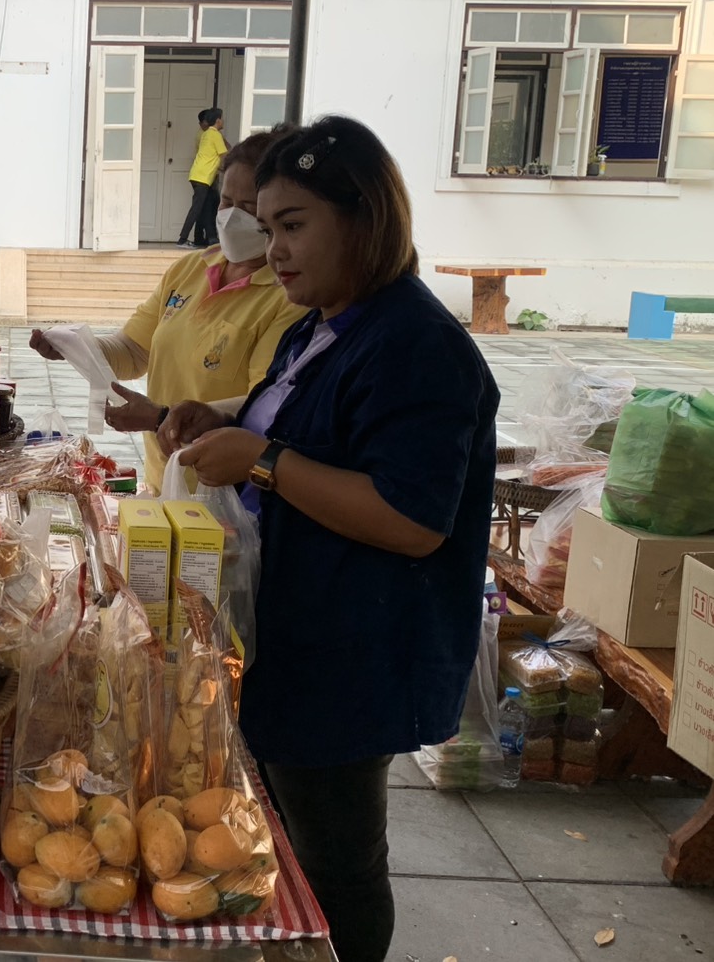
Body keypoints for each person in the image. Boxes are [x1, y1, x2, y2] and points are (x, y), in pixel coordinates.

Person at [157, 116, 499, 962]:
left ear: (365, 218)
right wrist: (229, 418)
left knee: (337, 859)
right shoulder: (320, 327)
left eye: (293, 225)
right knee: (287, 837)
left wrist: (262, 459)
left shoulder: (417, 347)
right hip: (299, 633)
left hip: (359, 649)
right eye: (267, 228)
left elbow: (412, 520)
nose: (272, 249)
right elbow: (308, 424)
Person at [31, 128, 304, 491]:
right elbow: (133, 351)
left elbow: (263, 407)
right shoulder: (190, 269)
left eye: (249, 209)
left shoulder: (289, 296)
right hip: (164, 479)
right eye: (225, 203)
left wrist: (160, 417)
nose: (232, 217)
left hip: (224, 493)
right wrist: (74, 346)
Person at [175, 107, 228, 247]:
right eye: (222, 118)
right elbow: (224, 155)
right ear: (217, 120)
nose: (223, 121)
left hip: (198, 175)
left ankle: (201, 239)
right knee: (197, 208)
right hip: (203, 177)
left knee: (204, 206)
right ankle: (182, 239)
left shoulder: (205, 134)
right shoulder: (215, 135)